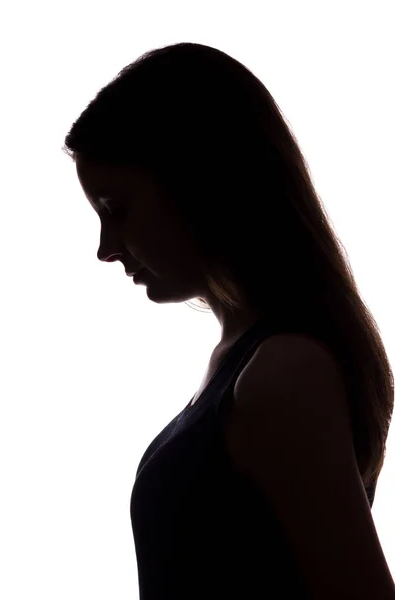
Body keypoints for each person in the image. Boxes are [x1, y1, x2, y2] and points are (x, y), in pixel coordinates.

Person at [64, 42, 395, 599]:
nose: (105, 248)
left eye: (116, 210)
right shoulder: (245, 365)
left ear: (200, 181)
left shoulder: (281, 371)